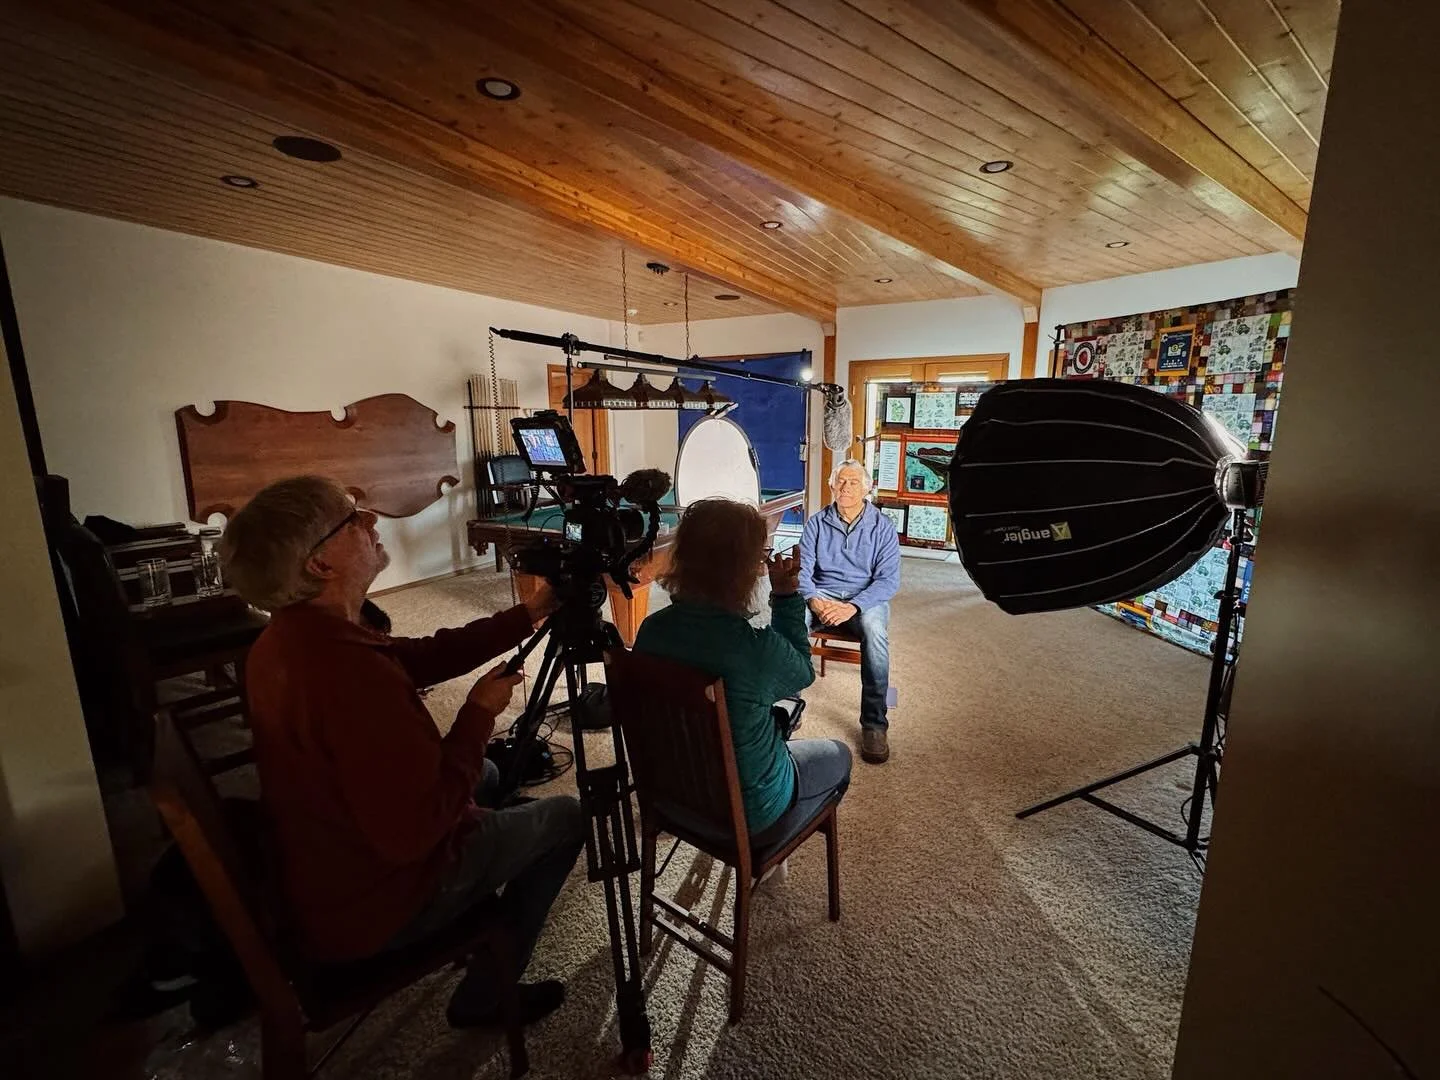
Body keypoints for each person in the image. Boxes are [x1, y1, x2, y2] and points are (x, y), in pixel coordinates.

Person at [219, 475, 584, 1029]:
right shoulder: (346, 674)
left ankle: (491, 861)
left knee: (484, 772)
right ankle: (487, 994)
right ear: (319, 564)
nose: (371, 522)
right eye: (352, 519)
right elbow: (419, 827)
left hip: (333, 863)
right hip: (380, 901)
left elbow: (418, 657)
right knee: (566, 816)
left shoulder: (298, 635)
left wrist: (528, 614)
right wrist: (479, 712)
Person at [633, 498, 851, 851]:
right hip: (748, 815)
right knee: (839, 755)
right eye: (760, 555)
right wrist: (786, 596)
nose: (763, 565)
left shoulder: (650, 631)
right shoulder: (754, 650)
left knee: (768, 714)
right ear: (740, 570)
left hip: (671, 797)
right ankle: (771, 855)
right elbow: (802, 672)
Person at [798, 459, 902, 764]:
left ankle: (874, 723)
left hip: (864, 598)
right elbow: (802, 572)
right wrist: (814, 601)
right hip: (823, 594)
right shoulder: (816, 523)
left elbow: (888, 581)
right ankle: (789, 702)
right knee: (791, 621)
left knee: (875, 631)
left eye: (854, 482)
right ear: (831, 486)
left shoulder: (883, 527)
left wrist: (853, 607)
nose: (846, 487)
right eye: (840, 481)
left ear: (867, 488)